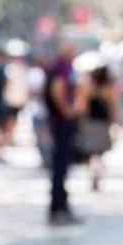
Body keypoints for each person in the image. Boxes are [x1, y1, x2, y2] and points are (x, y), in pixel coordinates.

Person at [44, 43, 84, 226]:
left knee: (62, 167)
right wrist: (67, 111)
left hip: (62, 123)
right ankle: (58, 207)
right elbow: (57, 90)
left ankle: (61, 206)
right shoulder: (61, 68)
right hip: (61, 124)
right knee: (60, 167)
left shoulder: (63, 68)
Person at [78, 65, 116, 192]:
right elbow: (112, 108)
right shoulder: (108, 90)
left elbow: (83, 108)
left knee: (92, 153)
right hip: (102, 124)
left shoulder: (88, 89)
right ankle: (97, 174)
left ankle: (93, 173)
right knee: (99, 153)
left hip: (90, 123)